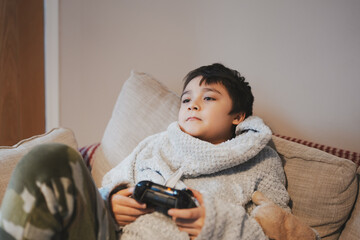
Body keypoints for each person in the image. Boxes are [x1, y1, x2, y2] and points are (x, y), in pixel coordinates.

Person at [0, 63, 316, 240]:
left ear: (238, 116)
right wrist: (111, 202)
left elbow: (278, 232)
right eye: (186, 98)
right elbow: (102, 189)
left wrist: (215, 222)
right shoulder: (155, 145)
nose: (192, 103)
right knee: (48, 159)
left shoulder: (261, 161)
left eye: (208, 98)